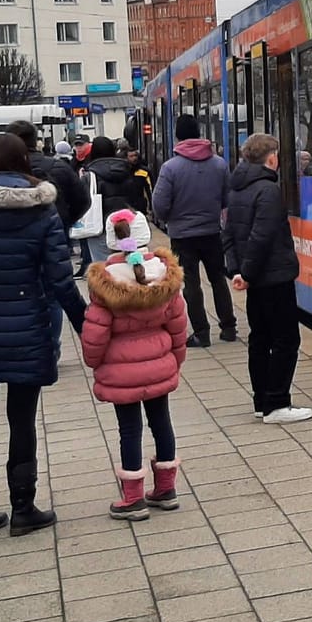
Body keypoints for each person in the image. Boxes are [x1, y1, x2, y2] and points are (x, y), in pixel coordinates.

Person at [0, 132, 87, 539]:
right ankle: (23, 507)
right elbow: (61, 281)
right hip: (28, 326)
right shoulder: (43, 211)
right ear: (23, 161)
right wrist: (88, 326)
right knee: (22, 419)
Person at [81, 209, 187, 520]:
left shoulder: (105, 283)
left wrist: (96, 364)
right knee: (161, 422)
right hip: (159, 365)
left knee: (129, 429)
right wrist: (174, 360)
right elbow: (179, 327)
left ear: (110, 241)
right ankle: (166, 489)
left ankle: (133, 498)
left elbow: (94, 335)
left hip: (120, 372)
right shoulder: (166, 277)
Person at [223, 135, 311, 424]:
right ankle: (277, 403)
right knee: (286, 339)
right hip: (274, 276)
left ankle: (262, 401)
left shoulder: (237, 190)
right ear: (271, 158)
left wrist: (238, 271)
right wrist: (246, 273)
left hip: (256, 279)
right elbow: (262, 237)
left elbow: (230, 234)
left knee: (259, 338)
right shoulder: (269, 190)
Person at [154, 114, 237, 348]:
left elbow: (159, 206)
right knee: (218, 279)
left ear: (178, 135)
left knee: (191, 283)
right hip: (212, 232)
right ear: (199, 133)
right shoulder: (219, 164)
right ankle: (228, 327)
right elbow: (226, 198)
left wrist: (172, 218)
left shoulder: (170, 168)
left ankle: (201, 332)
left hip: (182, 236)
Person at [8, 119, 91, 245]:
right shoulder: (59, 166)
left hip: (12, 239)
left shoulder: (1, 169)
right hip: (55, 235)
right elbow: (82, 200)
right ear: (35, 140)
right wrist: (64, 220)